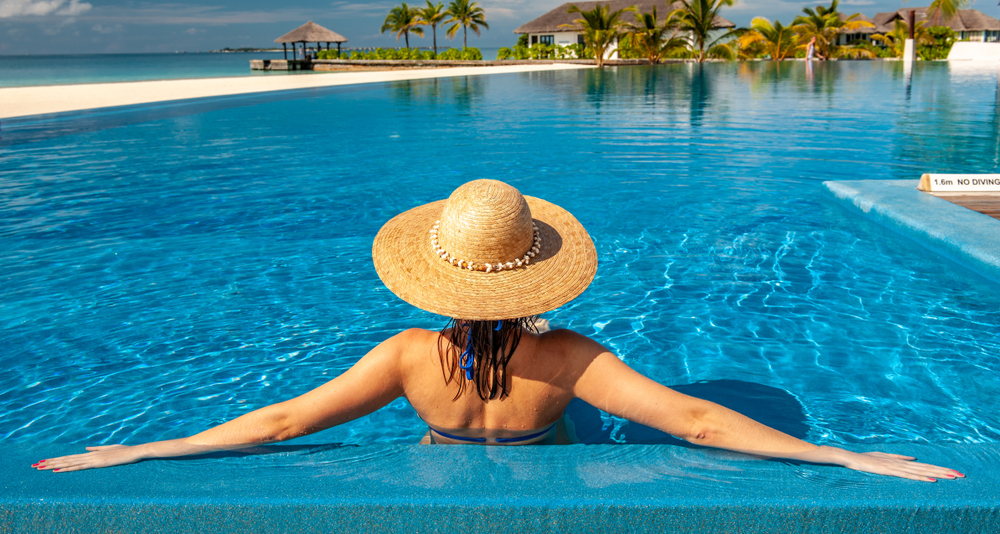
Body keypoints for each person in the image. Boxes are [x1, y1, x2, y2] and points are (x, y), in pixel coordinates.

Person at [34, 180, 963, 481]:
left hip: (440, 457)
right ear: (535, 272)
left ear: (437, 272)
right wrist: (849, 460)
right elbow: (698, 423)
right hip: (550, 446)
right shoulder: (570, 356)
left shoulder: (405, 356)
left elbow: (282, 422)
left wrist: (150, 449)